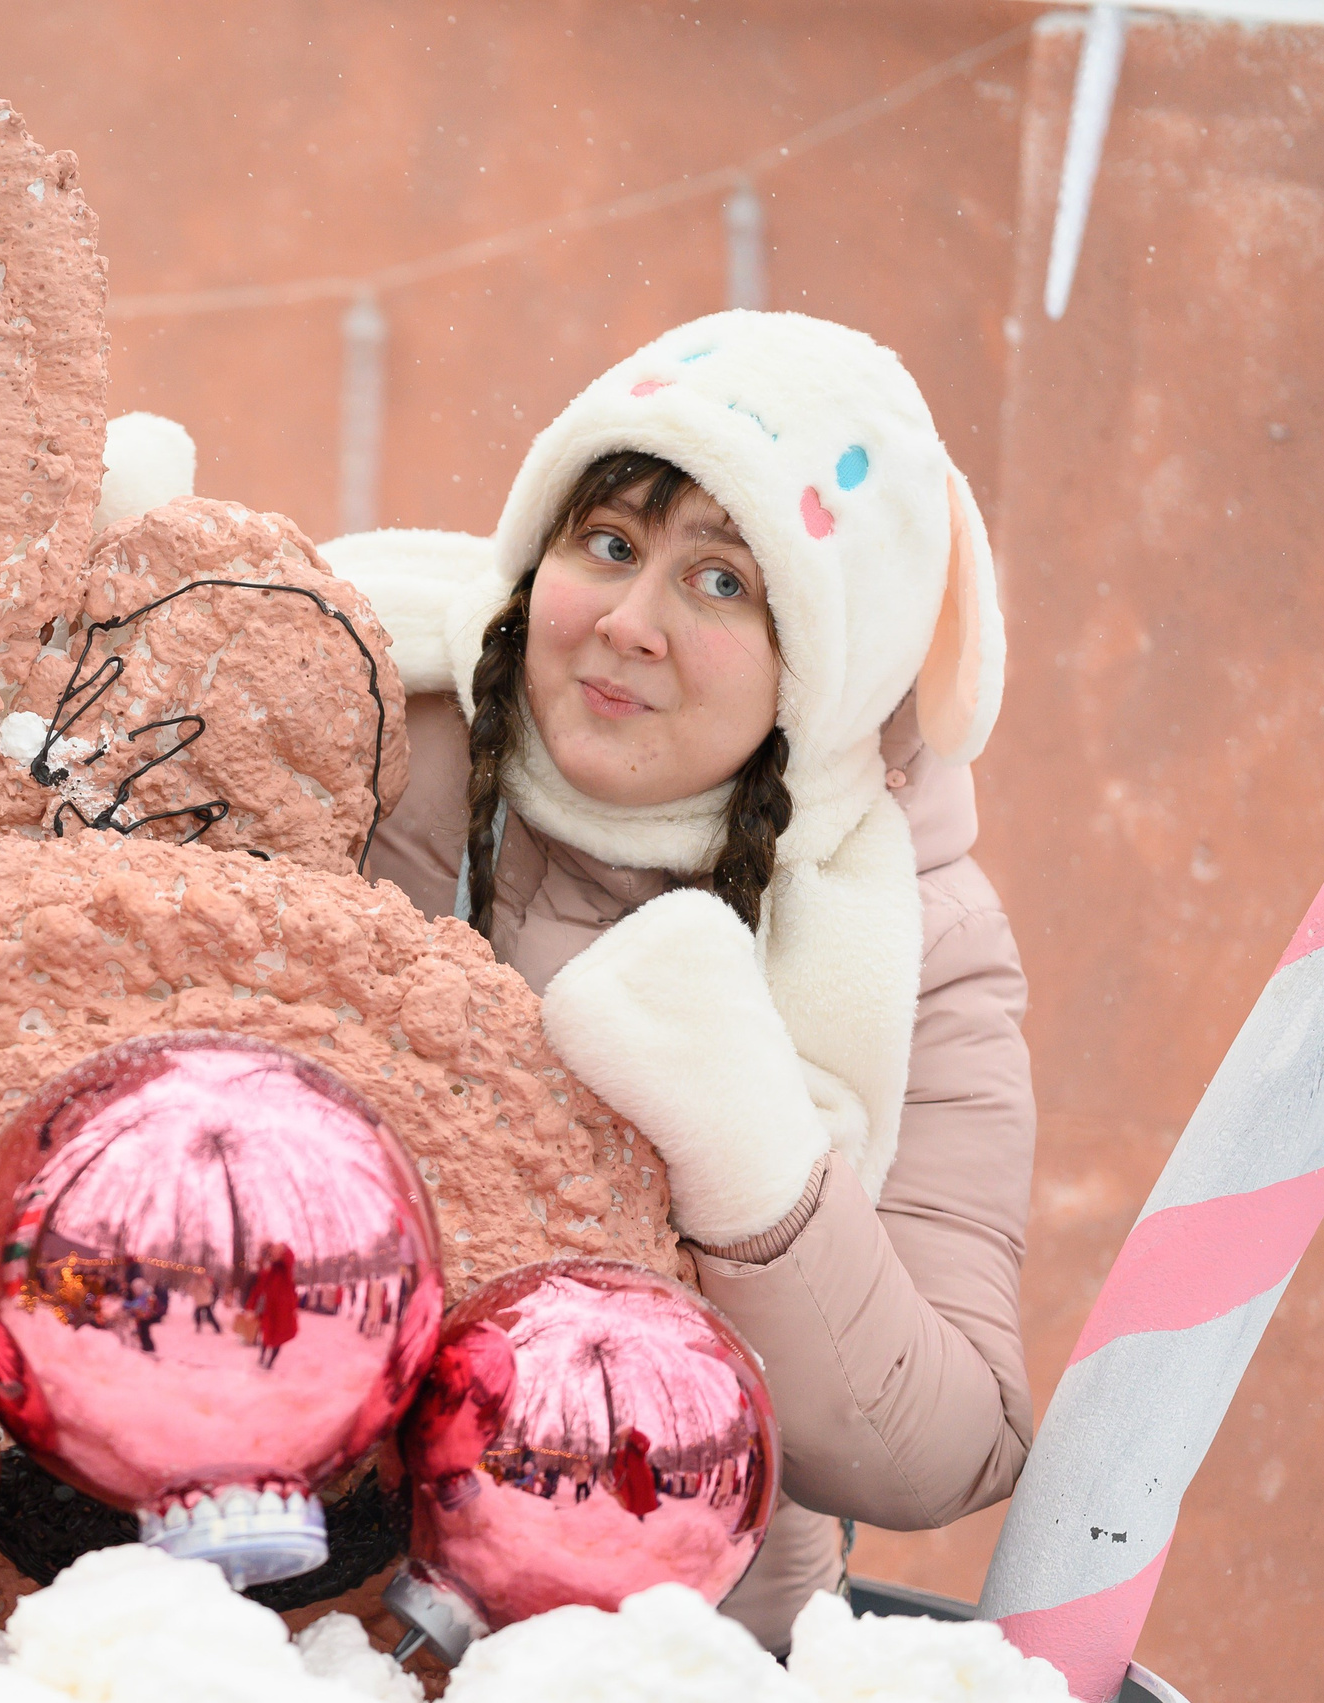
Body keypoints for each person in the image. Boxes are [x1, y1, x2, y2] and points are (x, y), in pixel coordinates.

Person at [343, 311, 1032, 1653]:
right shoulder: (365, 717)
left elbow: (944, 1449)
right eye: (609, 542)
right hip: (237, 1601)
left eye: (724, 583)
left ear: (825, 665)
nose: (629, 623)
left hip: (659, 1651)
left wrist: (749, 1149)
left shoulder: (917, 938)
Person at [244, 1242, 301, 1370]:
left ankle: (269, 1363)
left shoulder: (285, 1270)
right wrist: (250, 1307)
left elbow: (289, 1258)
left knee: (278, 1337)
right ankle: (262, 1357)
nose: (272, 1255)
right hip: (270, 1310)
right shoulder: (267, 1272)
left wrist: (283, 1249)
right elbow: (257, 1290)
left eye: (274, 1253)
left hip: (283, 1311)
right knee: (266, 1334)